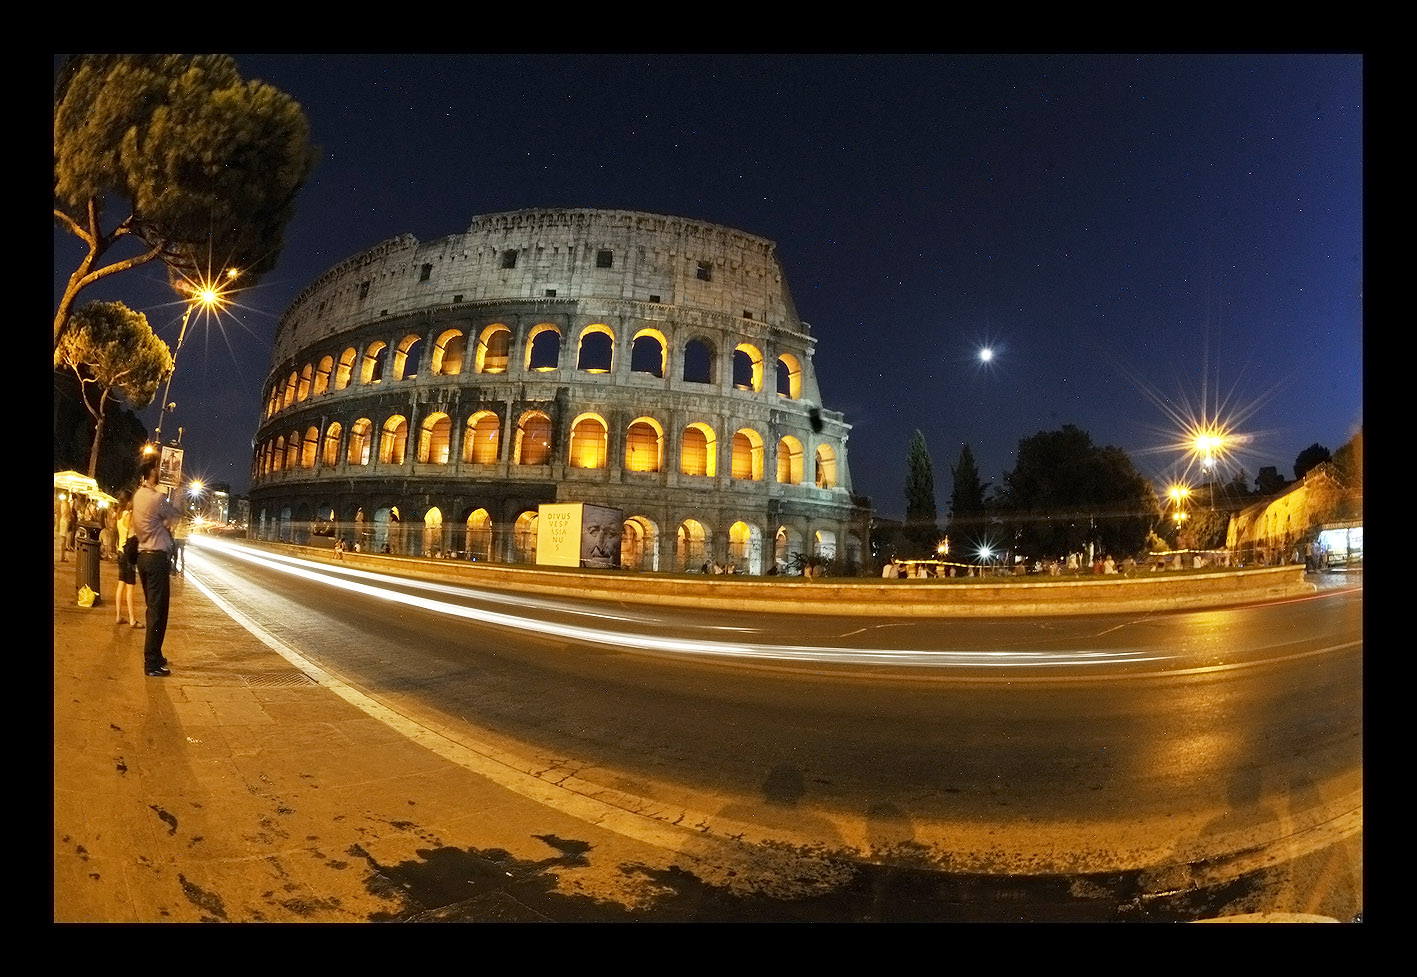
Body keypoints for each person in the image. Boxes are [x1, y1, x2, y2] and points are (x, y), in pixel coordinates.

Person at [133, 456, 182, 677]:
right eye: (159, 468)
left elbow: (158, 520)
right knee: (158, 612)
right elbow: (175, 514)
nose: (162, 471)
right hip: (156, 559)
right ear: (152, 471)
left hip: (144, 557)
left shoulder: (138, 495)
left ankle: (156, 654)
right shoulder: (156, 498)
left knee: (153, 609)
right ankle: (151, 663)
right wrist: (179, 491)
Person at [114, 491, 141, 628]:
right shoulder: (128, 516)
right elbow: (136, 532)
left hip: (120, 552)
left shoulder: (119, 515)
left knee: (121, 585)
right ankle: (132, 620)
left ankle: (118, 616)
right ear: (128, 501)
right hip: (128, 554)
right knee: (130, 588)